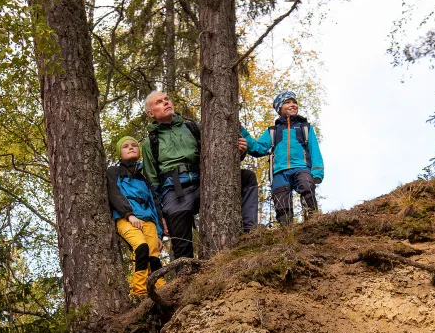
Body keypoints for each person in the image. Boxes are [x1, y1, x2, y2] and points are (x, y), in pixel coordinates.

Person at [141, 91, 259, 259]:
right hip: (174, 194)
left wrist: (239, 153)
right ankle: (186, 279)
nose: (166, 103)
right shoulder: (149, 144)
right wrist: (161, 217)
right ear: (151, 113)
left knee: (246, 178)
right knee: (182, 251)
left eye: (167, 99)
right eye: (159, 102)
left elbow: (218, 157)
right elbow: (152, 184)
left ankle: (249, 232)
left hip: (204, 184)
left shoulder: (193, 128)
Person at [240, 90, 324, 226]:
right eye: (287, 102)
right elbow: (258, 148)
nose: (293, 105)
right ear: (279, 108)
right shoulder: (273, 131)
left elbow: (314, 150)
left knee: (307, 189)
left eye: (294, 102)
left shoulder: (306, 128)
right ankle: (287, 234)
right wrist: (243, 132)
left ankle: (313, 224)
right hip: (279, 172)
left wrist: (317, 171)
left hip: (302, 167)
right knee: (282, 205)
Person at [107, 135, 165, 298]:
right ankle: (139, 290)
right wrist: (129, 214)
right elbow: (115, 194)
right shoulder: (114, 172)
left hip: (149, 223)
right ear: (119, 154)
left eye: (134, 145)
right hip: (127, 219)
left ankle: (160, 286)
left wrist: (159, 233)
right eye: (126, 146)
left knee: (154, 255)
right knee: (141, 247)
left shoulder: (144, 179)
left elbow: (155, 206)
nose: (131, 147)